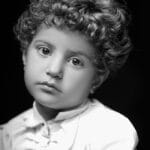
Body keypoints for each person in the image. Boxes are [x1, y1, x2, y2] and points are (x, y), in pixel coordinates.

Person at [0, 0, 138, 149]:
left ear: (97, 78)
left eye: (75, 61)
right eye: (45, 51)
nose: (54, 70)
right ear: (25, 55)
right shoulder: (8, 134)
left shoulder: (112, 131)